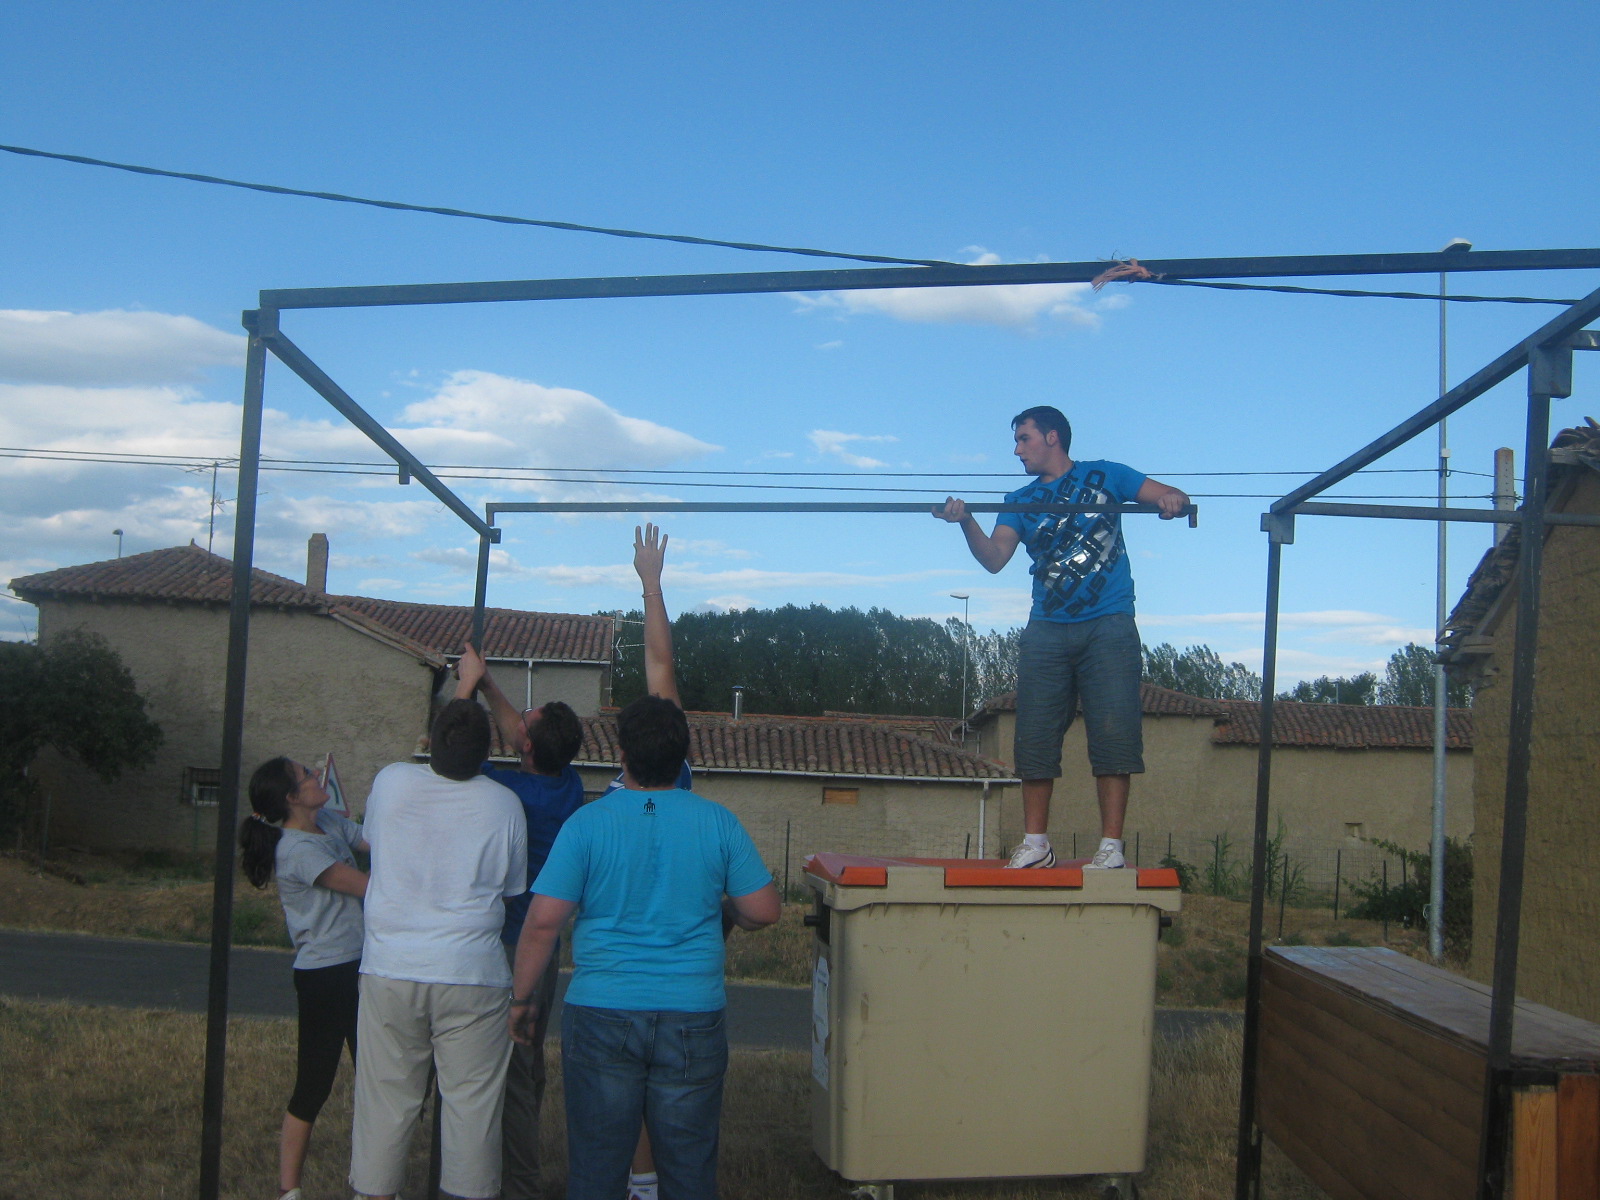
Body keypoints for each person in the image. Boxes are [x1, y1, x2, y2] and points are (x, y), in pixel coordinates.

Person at [509, 692, 780, 1200]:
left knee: (596, 1171)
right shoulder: (718, 821)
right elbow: (764, 910)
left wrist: (522, 1001)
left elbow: (543, 924)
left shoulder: (587, 823)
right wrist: (727, 912)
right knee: (689, 1172)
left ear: (623, 755)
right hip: (693, 1014)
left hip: (601, 1011)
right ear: (684, 756)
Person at [934, 405, 1189, 870]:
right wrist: (966, 521)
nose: (1017, 450)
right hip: (1047, 629)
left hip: (1109, 623)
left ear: (1052, 437)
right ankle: (1037, 844)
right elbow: (994, 559)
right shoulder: (1020, 499)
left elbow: (1168, 494)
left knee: (1113, 732)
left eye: (1024, 439)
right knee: (1033, 735)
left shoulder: (1107, 475)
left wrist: (1173, 500)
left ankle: (1111, 847)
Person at [349, 699, 527, 1200]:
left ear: (430, 742)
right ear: (486, 753)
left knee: (386, 1103)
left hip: (390, 966)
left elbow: (371, 843)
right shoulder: (505, 804)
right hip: (473, 973)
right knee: (472, 1110)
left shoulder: (390, 781)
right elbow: (512, 890)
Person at [452, 645, 585, 1200]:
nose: (518, 720)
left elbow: (455, 755)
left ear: (527, 747)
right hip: (545, 947)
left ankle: (521, 1185)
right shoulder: (566, 783)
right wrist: (487, 684)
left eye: (525, 721)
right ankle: (518, 1170)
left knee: (509, 1071)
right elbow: (519, 733)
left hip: (512, 949)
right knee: (528, 1064)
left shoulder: (507, 791)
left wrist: (464, 691)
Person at [238, 756, 369, 1200]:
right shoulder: (295, 850)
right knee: (314, 1085)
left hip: (360, 966)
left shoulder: (327, 822)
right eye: (308, 776)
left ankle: (372, 1184)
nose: (318, 776)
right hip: (326, 976)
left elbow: (373, 839)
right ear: (293, 797)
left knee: (375, 1080)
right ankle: (289, 1191)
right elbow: (368, 886)